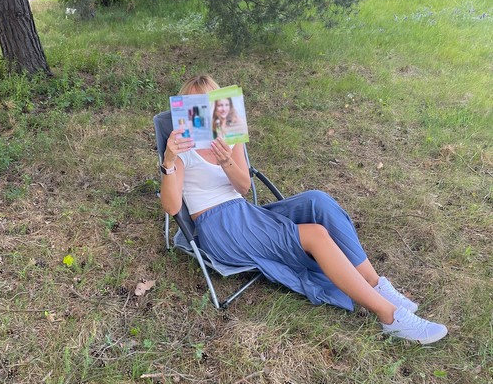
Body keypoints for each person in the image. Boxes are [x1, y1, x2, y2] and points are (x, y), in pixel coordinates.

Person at [160, 75, 448, 344]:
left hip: (244, 213)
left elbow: (244, 187)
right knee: (315, 235)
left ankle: (375, 284)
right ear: (187, 111)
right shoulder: (182, 148)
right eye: (196, 106)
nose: (204, 114)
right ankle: (390, 317)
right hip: (220, 226)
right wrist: (169, 160)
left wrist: (226, 161)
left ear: (218, 108)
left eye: (209, 105)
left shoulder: (229, 137)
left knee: (317, 201)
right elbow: (172, 207)